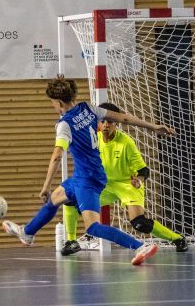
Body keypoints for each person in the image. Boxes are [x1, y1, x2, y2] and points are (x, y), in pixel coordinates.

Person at [2, 75, 176, 266]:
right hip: (88, 174)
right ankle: (27, 233)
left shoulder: (64, 125)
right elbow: (123, 118)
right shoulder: (88, 108)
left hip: (87, 179)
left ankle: (139, 246)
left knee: (93, 227)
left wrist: (45, 186)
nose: (53, 106)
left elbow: (57, 156)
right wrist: (153, 127)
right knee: (56, 199)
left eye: (52, 102)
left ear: (59, 102)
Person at [61, 102, 188, 256]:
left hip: (128, 184)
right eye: (102, 121)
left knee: (139, 223)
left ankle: (177, 239)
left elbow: (143, 170)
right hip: (104, 185)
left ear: (117, 123)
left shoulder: (126, 142)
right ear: (97, 123)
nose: (106, 125)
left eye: (110, 121)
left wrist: (139, 180)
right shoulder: (93, 140)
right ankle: (71, 241)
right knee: (70, 198)